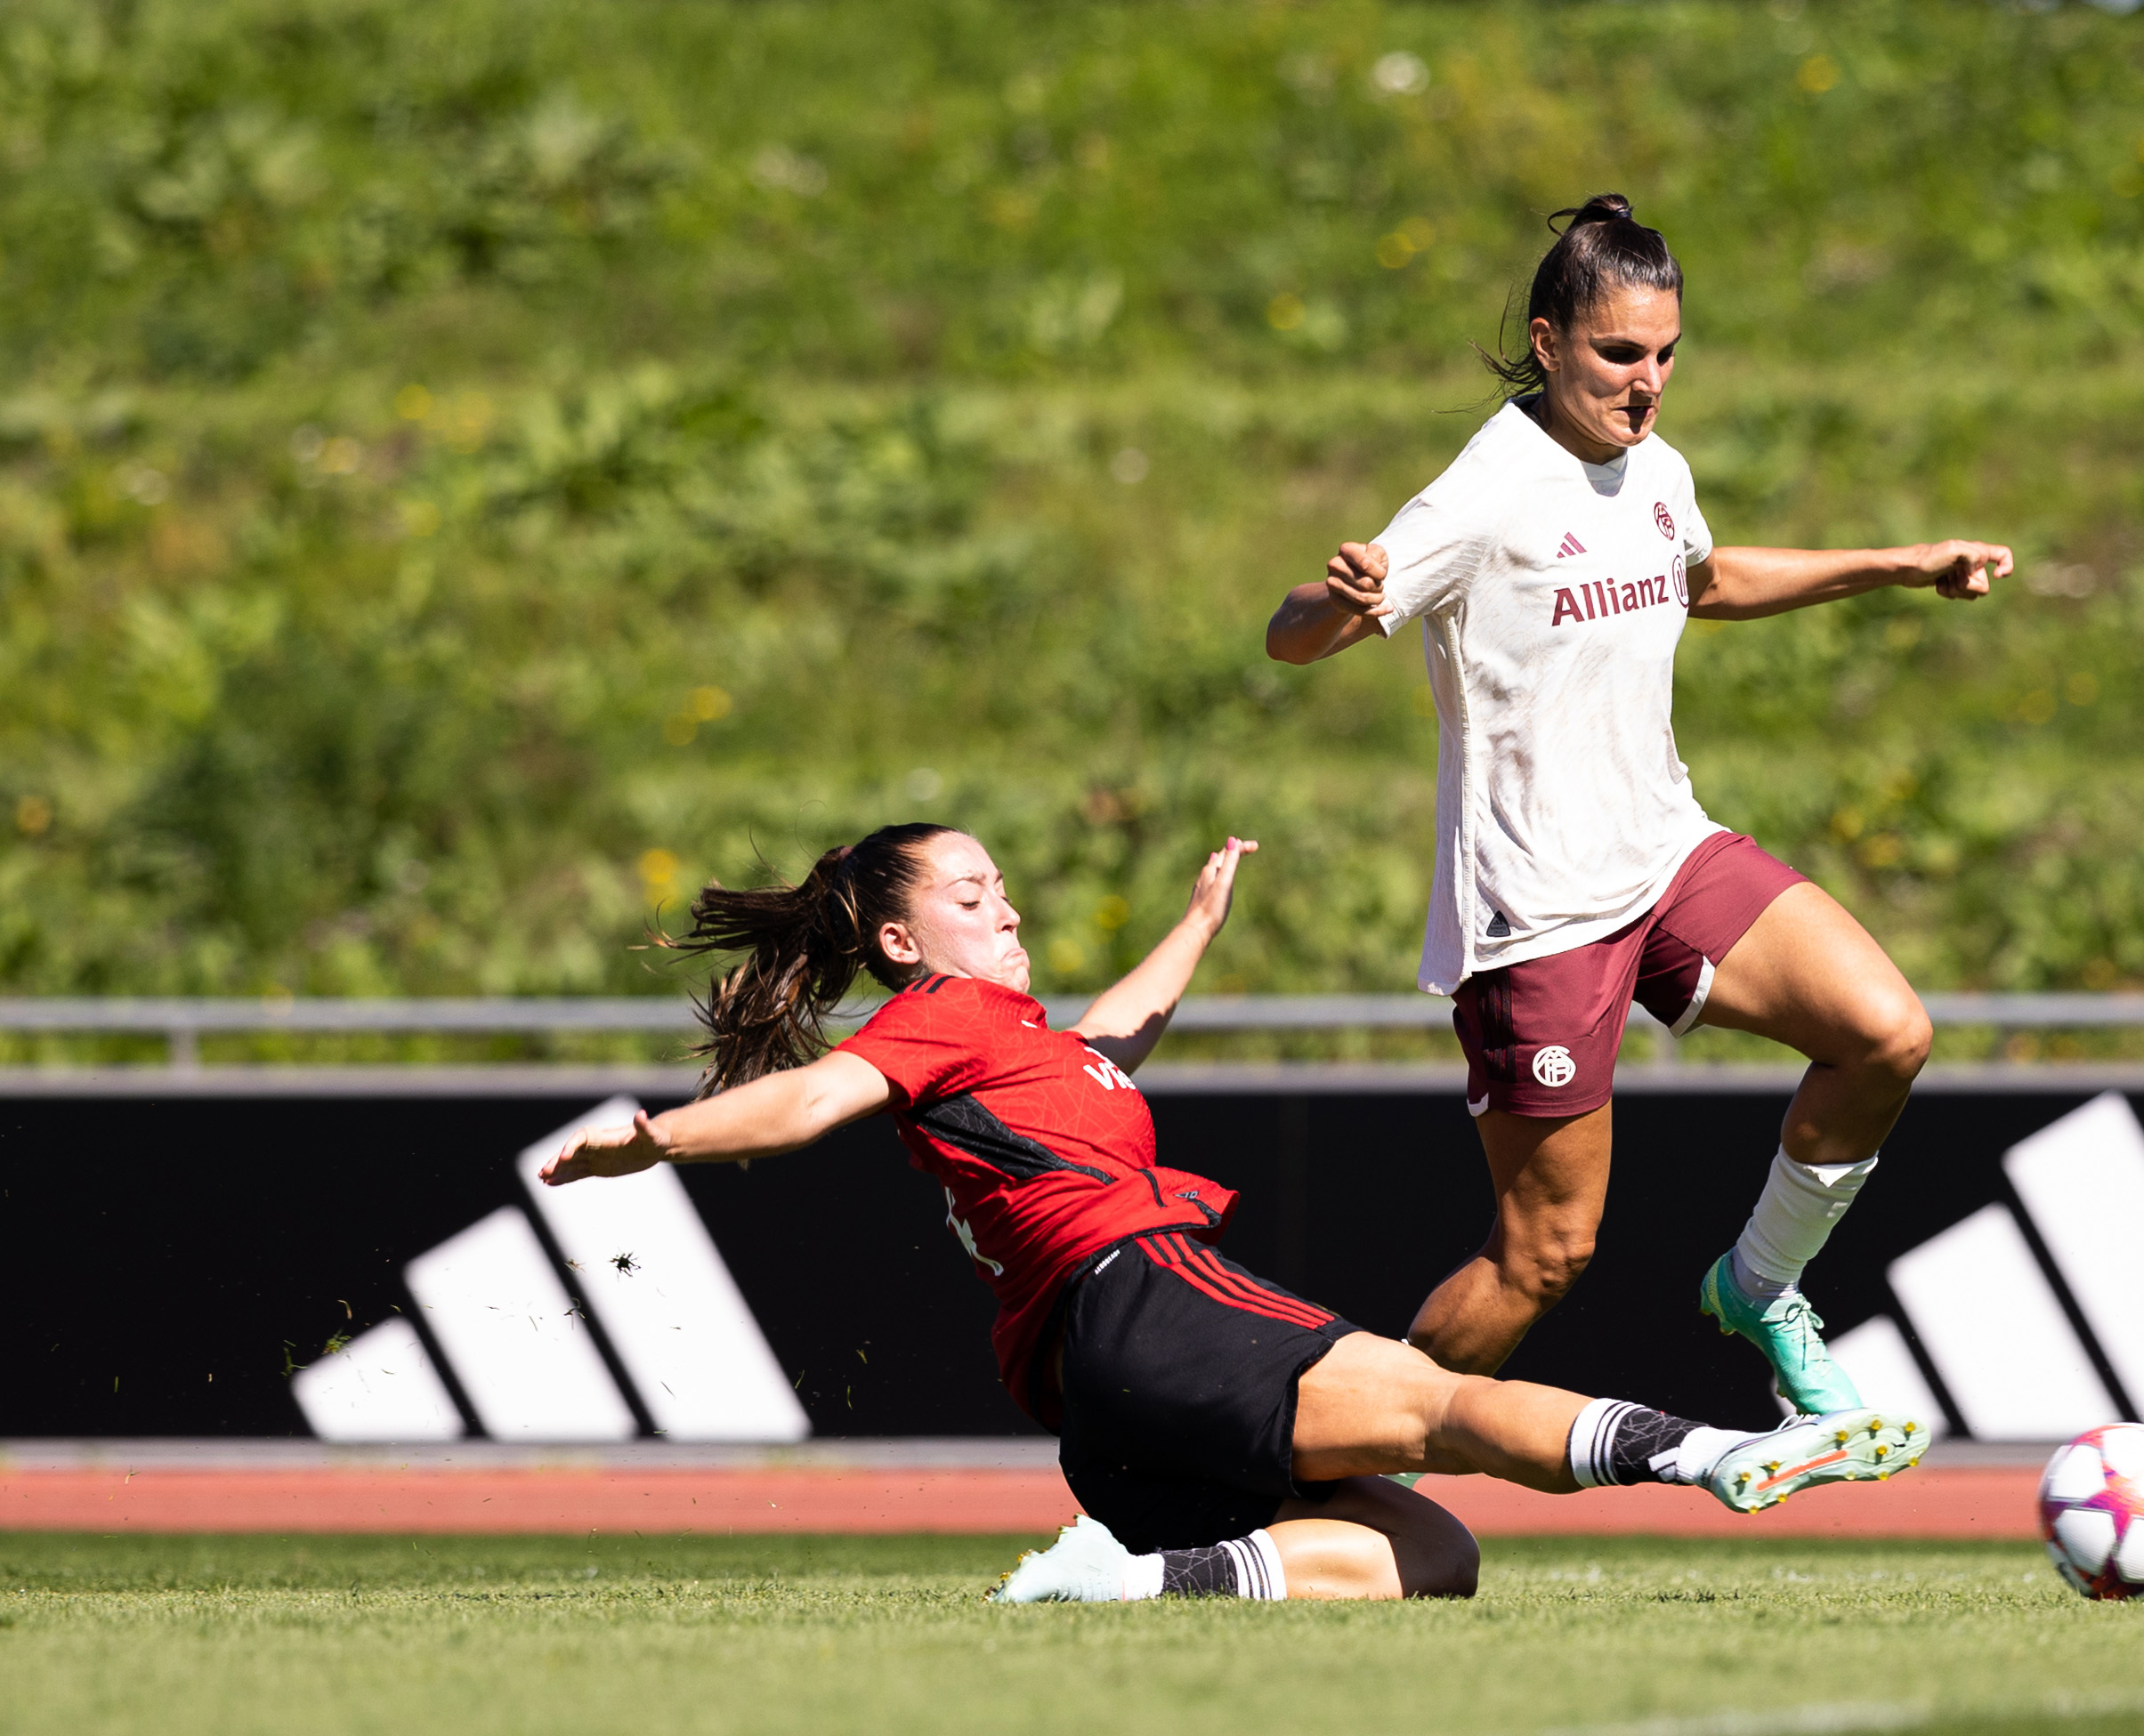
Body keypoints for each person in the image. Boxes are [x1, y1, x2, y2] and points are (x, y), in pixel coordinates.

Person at [538, 822, 1927, 1603]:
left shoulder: (1012, 1046)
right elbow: (800, 1102)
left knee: (1430, 1557)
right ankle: (1721, 1456)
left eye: (1003, 883)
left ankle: (1128, 1582)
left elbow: (1117, 1033)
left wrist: (1200, 921)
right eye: (972, 894)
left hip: (1098, 1404)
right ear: (901, 942)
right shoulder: (935, 1020)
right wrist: (656, 1142)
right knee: (1433, 1403)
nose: (1003, 904)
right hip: (1144, 1296)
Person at [1261, 195, 2011, 1417]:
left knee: (1886, 1031)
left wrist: (1897, 564)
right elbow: (1294, 638)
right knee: (1541, 1259)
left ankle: (1759, 1287)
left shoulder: (1655, 466)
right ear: (1548, 341)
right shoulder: (1486, 488)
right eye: (1620, 354)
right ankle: (1330, 1454)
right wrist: (1333, 598)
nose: (1648, 380)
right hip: (1538, 906)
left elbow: (1703, 580)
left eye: (1665, 353)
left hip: (1664, 852)